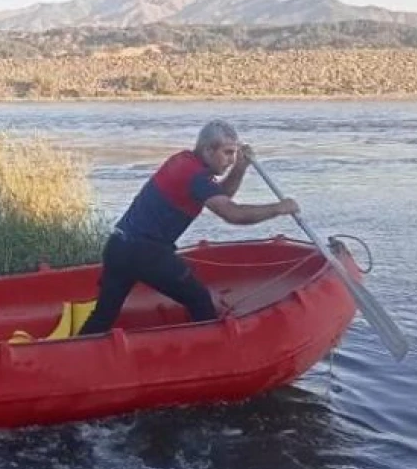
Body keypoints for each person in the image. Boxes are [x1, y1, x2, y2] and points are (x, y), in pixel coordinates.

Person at [76, 120, 299, 336]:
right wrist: (278, 208)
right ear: (208, 150)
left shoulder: (184, 161)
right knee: (199, 299)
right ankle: (210, 355)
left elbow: (222, 196)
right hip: (145, 252)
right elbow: (232, 213)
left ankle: (75, 356)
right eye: (228, 153)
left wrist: (240, 167)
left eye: (234, 153)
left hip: (119, 246)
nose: (231, 160)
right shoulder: (196, 177)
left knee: (102, 316)